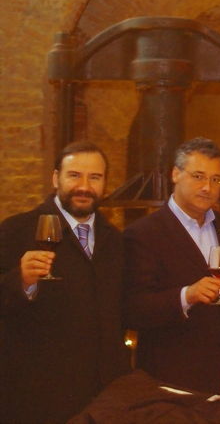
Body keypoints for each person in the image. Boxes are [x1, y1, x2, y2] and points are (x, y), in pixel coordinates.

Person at [0, 141, 129, 423]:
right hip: (38, 397)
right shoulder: (16, 230)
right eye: (74, 175)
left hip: (104, 398)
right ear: (56, 178)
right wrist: (20, 280)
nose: (84, 186)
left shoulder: (116, 240)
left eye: (94, 177)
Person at [124, 137, 220, 395]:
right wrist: (187, 296)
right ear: (176, 174)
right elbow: (134, 309)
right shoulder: (143, 233)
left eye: (215, 179)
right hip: (170, 379)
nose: (207, 187)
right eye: (198, 176)